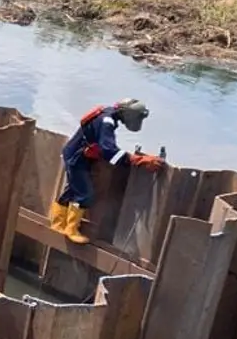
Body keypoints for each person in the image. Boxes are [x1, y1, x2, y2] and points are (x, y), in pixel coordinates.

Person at [53, 99, 165, 245]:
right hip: (77, 157)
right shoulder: (107, 122)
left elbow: (104, 145)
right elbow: (109, 152)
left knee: (73, 190)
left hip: (77, 154)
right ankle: (70, 229)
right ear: (129, 114)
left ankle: (57, 224)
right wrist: (137, 160)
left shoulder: (108, 114)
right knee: (84, 194)